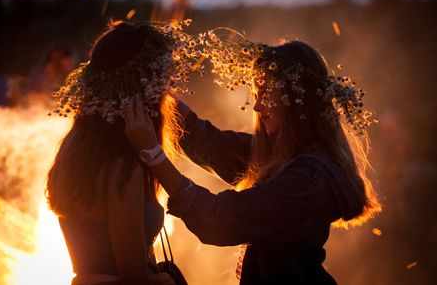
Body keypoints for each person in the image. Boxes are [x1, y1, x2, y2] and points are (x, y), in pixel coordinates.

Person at [124, 40, 382, 284]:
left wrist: (153, 154)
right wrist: (158, 90)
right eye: (256, 93)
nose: (257, 107)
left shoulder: (308, 180)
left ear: (295, 99)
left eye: (266, 94)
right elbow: (212, 145)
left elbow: (220, 219)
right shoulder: (284, 156)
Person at [45, 20, 194, 285]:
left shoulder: (74, 149)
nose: (167, 91)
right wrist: (169, 281)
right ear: (142, 89)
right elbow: (134, 278)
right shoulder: (122, 167)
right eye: (162, 81)